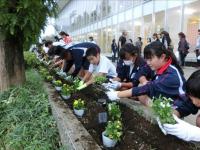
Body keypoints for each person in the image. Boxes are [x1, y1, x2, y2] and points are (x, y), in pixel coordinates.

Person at [106, 41, 185, 107]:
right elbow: (140, 74)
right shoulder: (155, 65)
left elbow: (146, 88)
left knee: (141, 91)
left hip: (175, 106)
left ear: (162, 57)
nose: (148, 63)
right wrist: (144, 81)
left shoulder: (171, 74)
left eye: (150, 59)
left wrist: (118, 94)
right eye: (147, 59)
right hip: (162, 98)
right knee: (142, 92)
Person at [161, 70, 200, 142]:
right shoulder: (194, 98)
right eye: (192, 98)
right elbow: (186, 106)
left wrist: (193, 133)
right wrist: (171, 116)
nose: (194, 102)